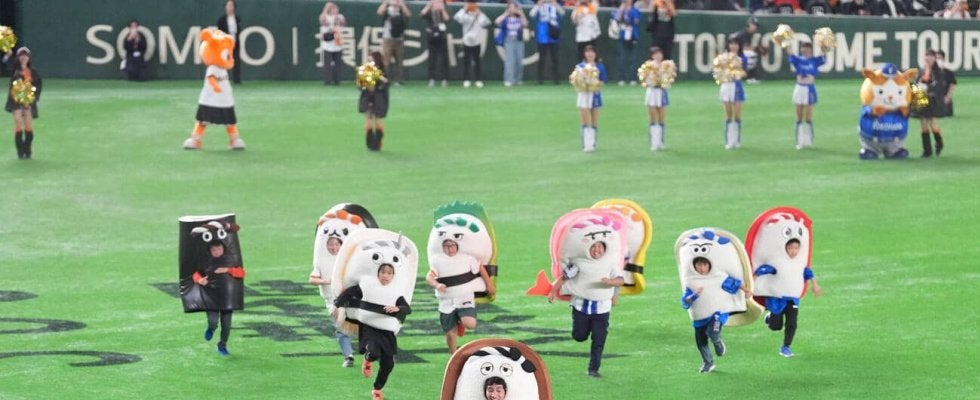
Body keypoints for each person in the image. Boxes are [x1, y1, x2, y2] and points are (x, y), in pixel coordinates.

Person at [333, 263, 411, 400]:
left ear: (393, 276)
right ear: (378, 273)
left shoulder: (396, 291)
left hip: (387, 332)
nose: (385, 276)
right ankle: (368, 360)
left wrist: (398, 308)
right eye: (383, 272)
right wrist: (337, 304)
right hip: (369, 327)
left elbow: (407, 309)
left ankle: (377, 389)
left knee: (389, 364)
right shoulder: (368, 286)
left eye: (389, 273)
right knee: (374, 353)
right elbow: (350, 292)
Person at [548, 241, 623, 378]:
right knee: (579, 336)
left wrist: (610, 283)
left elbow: (620, 280)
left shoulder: (610, 263)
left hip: (601, 310)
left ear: (605, 248)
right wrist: (553, 291)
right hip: (581, 308)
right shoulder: (579, 263)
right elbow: (564, 277)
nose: (596, 250)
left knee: (599, 340)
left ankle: (593, 369)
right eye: (593, 246)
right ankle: (583, 331)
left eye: (599, 246)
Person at [681, 257, 751, 373]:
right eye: (699, 265)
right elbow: (685, 302)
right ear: (694, 266)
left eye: (704, 265)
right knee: (701, 342)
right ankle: (708, 363)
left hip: (718, 312)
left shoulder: (718, 276)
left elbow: (734, 282)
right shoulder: (691, 282)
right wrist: (694, 295)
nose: (702, 268)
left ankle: (717, 342)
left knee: (713, 331)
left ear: (709, 265)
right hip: (700, 318)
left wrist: (747, 291)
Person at [755, 238, 822, 357]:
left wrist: (815, 285)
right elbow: (765, 269)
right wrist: (754, 277)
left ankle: (786, 347)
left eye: (796, 248)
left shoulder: (800, 263)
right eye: (790, 248)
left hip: (792, 299)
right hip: (777, 300)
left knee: (792, 323)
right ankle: (770, 318)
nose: (793, 251)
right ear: (786, 248)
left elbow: (808, 272)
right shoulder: (779, 262)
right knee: (776, 327)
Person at [427, 239, 496, 354]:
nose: (450, 249)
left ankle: (461, 321)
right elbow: (429, 276)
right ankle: (454, 356)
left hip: (464, 297)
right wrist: (437, 285)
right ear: (442, 248)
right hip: (446, 301)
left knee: (470, 324)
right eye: (446, 246)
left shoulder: (467, 259)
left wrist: (489, 285)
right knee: (450, 334)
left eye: (452, 245)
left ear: (457, 246)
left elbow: (480, 268)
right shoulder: (437, 261)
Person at [193, 241, 246, 356]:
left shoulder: (230, 260)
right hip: (211, 297)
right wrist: (199, 280)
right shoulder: (206, 262)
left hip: (227, 298)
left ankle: (222, 345)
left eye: (219, 249)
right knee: (213, 321)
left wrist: (227, 270)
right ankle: (211, 328)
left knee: (226, 325)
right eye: (214, 250)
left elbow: (241, 273)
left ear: (223, 249)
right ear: (210, 251)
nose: (217, 252)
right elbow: (196, 274)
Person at [309, 236, 355, 368]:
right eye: (330, 244)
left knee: (361, 326)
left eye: (336, 244)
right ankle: (349, 356)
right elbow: (312, 279)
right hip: (332, 300)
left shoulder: (348, 259)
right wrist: (327, 281)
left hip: (351, 298)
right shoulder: (321, 262)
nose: (333, 247)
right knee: (340, 326)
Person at [788, 42, 827, 150]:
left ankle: (809, 140)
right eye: (803, 48)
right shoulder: (797, 60)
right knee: (799, 117)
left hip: (809, 88)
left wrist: (824, 44)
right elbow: (790, 53)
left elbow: (823, 56)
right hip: (799, 88)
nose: (804, 49)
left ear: (810, 49)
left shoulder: (814, 60)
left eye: (806, 48)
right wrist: (787, 41)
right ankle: (799, 141)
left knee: (808, 117)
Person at [6, 47, 41, 160]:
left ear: (29, 58)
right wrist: (8, 54)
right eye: (21, 55)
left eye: (25, 55)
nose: (23, 57)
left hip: (29, 101)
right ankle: (20, 151)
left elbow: (38, 85)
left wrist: (32, 97)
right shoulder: (14, 69)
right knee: (18, 122)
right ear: (18, 57)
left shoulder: (33, 72)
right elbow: (7, 63)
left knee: (28, 125)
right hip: (15, 100)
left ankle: (27, 149)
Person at [572, 45, 607, 152]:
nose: (590, 54)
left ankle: (592, 144)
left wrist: (594, 84)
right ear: (584, 54)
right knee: (585, 120)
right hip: (583, 95)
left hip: (595, 95)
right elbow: (575, 81)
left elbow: (603, 81)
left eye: (592, 52)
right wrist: (582, 83)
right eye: (587, 52)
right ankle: (586, 145)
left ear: (595, 54)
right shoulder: (580, 66)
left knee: (594, 121)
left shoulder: (600, 66)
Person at [916, 49, 948, 158]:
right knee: (923, 123)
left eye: (930, 56)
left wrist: (928, 89)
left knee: (932, 123)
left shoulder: (938, 71)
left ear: (934, 58)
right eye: (927, 56)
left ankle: (939, 143)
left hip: (933, 100)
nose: (928, 58)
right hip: (922, 99)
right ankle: (927, 150)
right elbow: (917, 82)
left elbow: (939, 85)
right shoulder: (922, 70)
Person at [718, 38, 747, 150]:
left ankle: (737, 140)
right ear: (728, 45)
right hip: (726, 86)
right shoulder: (723, 58)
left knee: (737, 115)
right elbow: (717, 71)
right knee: (728, 115)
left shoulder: (742, 58)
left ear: (739, 46)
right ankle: (729, 141)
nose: (733, 46)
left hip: (737, 87)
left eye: (736, 44)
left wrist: (738, 74)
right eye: (731, 44)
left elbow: (745, 72)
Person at [454, 1, 491, 88]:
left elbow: (487, 22)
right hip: (467, 42)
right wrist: (464, 9)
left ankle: (478, 80)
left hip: (477, 42)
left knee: (477, 62)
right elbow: (457, 17)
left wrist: (480, 13)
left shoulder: (479, 17)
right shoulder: (465, 16)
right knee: (466, 62)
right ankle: (466, 80)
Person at [360, 52, 390, 151]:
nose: (369, 62)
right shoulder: (365, 70)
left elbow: (386, 83)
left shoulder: (382, 71)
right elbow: (360, 86)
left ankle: (377, 143)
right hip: (366, 96)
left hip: (379, 98)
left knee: (378, 120)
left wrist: (377, 76)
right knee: (368, 119)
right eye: (368, 60)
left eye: (371, 60)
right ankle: (369, 143)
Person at [529, 0, 564, 85]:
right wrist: (537, 5)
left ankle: (556, 79)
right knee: (542, 58)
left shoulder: (555, 4)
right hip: (542, 35)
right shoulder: (540, 4)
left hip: (553, 35)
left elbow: (562, 13)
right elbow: (531, 14)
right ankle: (540, 79)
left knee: (555, 58)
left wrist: (555, 4)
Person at [642, 47, 670, 151]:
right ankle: (654, 143)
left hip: (662, 92)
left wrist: (665, 82)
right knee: (652, 117)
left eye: (660, 54)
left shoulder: (666, 65)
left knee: (661, 118)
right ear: (652, 56)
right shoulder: (648, 66)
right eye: (656, 54)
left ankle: (661, 142)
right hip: (652, 92)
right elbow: (644, 80)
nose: (658, 56)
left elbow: (668, 80)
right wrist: (650, 81)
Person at [378, 0, 411, 86]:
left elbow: (408, 14)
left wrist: (402, 4)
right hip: (388, 38)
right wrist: (386, 3)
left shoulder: (401, 9)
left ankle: (399, 80)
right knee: (386, 60)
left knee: (399, 60)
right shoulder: (388, 9)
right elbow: (379, 12)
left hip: (399, 39)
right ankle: (385, 79)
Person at [495, 1, 528, 87]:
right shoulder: (506, 18)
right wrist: (506, 13)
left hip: (519, 40)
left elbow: (525, 24)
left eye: (514, 7)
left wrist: (521, 13)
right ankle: (509, 80)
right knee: (510, 61)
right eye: (511, 7)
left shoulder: (519, 17)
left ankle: (518, 80)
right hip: (509, 40)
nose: (513, 9)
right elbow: (497, 21)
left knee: (519, 61)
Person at [421, 0, 450, 87]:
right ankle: (431, 79)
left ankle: (444, 79)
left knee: (443, 59)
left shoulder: (444, 8)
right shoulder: (429, 10)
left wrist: (442, 9)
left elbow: (447, 19)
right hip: (432, 36)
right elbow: (422, 14)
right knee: (432, 59)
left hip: (442, 36)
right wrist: (429, 5)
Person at [612, 0, 641, 86]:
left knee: (633, 58)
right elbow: (616, 19)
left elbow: (636, 21)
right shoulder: (619, 10)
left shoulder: (635, 10)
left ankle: (632, 78)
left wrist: (629, 11)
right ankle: (622, 78)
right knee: (622, 58)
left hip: (633, 36)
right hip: (622, 36)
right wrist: (621, 10)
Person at [319, 2, 346, 86]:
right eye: (333, 9)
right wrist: (325, 8)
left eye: (336, 9)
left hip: (337, 43)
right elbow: (322, 20)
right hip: (328, 44)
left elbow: (343, 23)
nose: (335, 10)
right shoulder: (325, 16)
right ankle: (328, 80)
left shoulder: (340, 16)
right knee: (328, 63)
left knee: (338, 63)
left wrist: (337, 20)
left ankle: (337, 80)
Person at [216, 0, 242, 84]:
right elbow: (219, 32)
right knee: (224, 61)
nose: (230, 7)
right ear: (225, 7)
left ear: (234, 7)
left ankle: (237, 80)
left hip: (235, 43)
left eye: (231, 6)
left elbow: (238, 31)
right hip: (225, 44)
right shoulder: (221, 20)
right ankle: (224, 79)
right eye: (228, 5)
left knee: (236, 61)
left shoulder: (237, 19)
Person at [728, 17, 759, 83]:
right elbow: (745, 48)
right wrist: (756, 48)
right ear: (748, 25)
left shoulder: (748, 33)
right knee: (752, 54)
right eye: (753, 25)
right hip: (733, 53)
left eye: (756, 25)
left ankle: (748, 76)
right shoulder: (744, 33)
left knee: (751, 54)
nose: (755, 27)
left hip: (736, 53)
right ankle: (750, 77)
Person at [935, 50, 956, 117]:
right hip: (933, 98)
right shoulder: (930, 73)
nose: (938, 60)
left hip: (944, 99)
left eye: (940, 58)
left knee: (945, 113)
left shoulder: (949, 73)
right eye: (936, 58)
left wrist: (947, 97)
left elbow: (952, 86)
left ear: (943, 59)